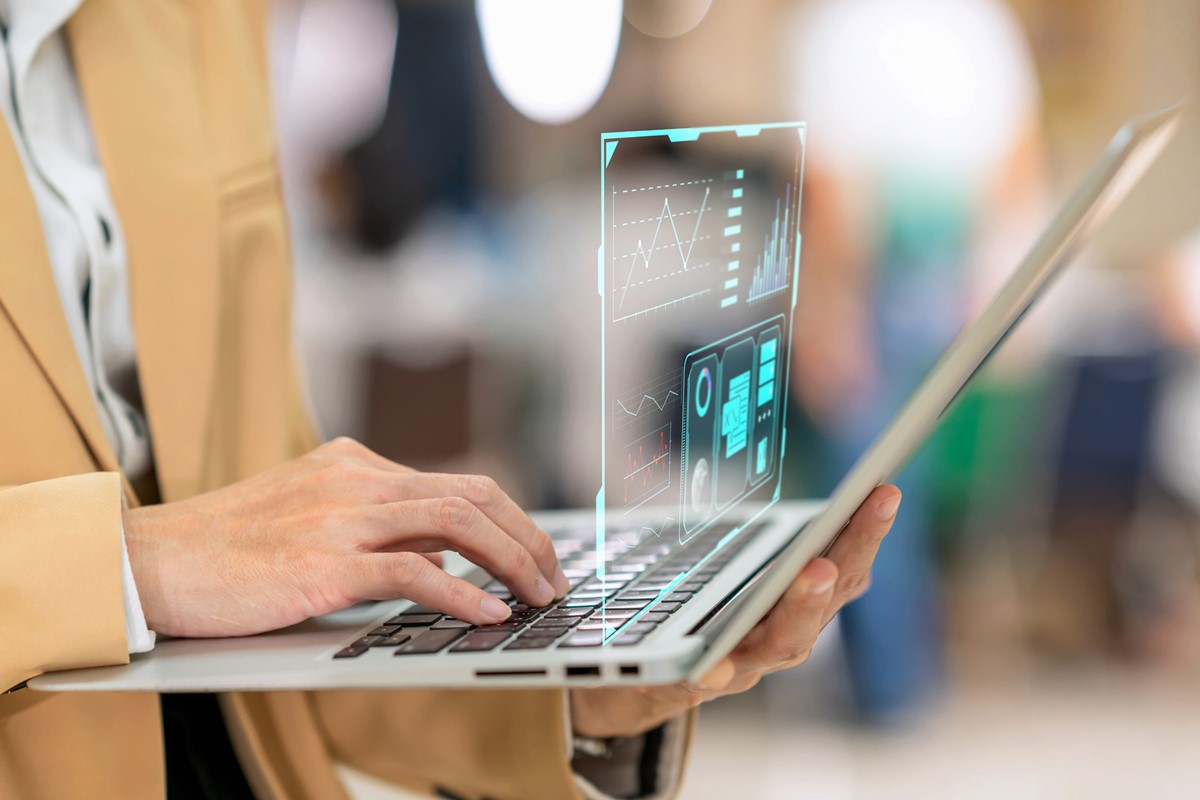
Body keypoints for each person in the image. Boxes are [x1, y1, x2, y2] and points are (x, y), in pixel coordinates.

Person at [0, 2, 899, 799]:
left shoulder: (199, 18)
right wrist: (139, 565)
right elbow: (205, 567)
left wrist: (589, 691)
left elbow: (274, 633)